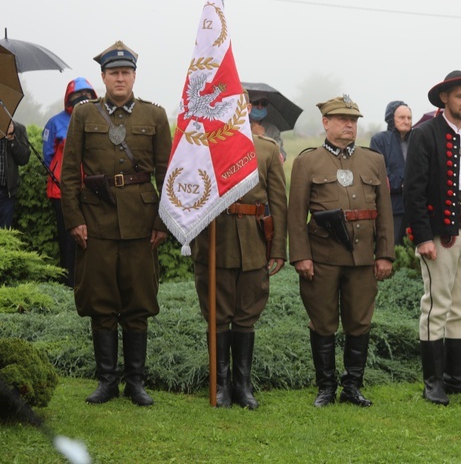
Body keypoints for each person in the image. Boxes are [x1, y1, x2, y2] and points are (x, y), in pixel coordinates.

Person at [60, 41, 172, 406]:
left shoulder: (154, 117)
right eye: (113, 73)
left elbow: (166, 174)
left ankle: (135, 382)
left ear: (134, 76)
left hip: (142, 222)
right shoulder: (83, 115)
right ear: (104, 77)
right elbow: (70, 173)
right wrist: (75, 219)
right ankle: (107, 381)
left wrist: (162, 222)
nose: (119, 78)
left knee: (138, 301)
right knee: (101, 301)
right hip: (96, 221)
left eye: (125, 72)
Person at [288, 94, 394, 407]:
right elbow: (296, 216)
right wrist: (301, 256)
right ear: (326, 123)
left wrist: (385, 253)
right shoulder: (308, 162)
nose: (350, 125)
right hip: (322, 258)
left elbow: (385, 212)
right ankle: (325, 388)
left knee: (359, 321)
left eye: (354, 121)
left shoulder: (373, 160)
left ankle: (352, 387)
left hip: (362, 258)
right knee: (323, 322)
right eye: (342, 120)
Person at [404, 70, 461, 406]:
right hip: (440, 236)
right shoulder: (425, 134)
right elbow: (413, 189)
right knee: (436, 306)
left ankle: (458, 379)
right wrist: (422, 237)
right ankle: (433, 383)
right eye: (460, 96)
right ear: (444, 98)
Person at [190, 134, 287, 409]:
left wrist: (278, 247)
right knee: (217, 315)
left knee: (247, 313)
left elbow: (278, 201)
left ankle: (243, 385)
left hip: (253, 241)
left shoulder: (266, 149)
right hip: (214, 239)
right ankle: (221, 385)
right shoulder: (200, 143)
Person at [42, 78, 97, 287]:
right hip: (61, 190)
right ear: (68, 98)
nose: (82, 99)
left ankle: (88, 279)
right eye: (77, 96)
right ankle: (68, 281)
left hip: (90, 190)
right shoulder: (55, 122)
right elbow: (47, 156)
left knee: (91, 237)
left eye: (86, 95)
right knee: (67, 238)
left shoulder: (97, 119)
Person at [369, 100, 412, 245]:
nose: (406, 121)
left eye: (409, 118)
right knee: (390, 249)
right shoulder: (379, 140)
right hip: (392, 209)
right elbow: (379, 175)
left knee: (413, 253)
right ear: (391, 119)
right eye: (402, 117)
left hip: (415, 208)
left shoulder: (417, 139)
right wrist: (405, 182)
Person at [0, 120, 30, 228]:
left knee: (4, 236)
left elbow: (24, 159)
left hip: (6, 193)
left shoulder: (19, 129)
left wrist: (12, 138)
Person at [248, 96, 287, 162]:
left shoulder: (273, 129)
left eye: (264, 103)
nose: (260, 107)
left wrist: (263, 136)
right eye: (256, 102)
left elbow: (281, 156)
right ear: (248, 105)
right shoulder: (238, 126)